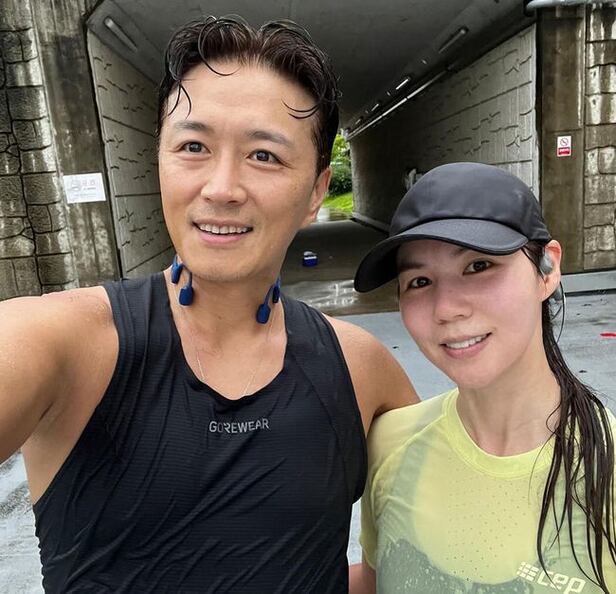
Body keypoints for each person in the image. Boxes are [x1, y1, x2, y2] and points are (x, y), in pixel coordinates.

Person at [0, 16, 417, 593]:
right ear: (159, 160)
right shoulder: (63, 342)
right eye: (193, 146)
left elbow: (427, 554)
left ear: (317, 190)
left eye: (264, 156)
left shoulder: (360, 369)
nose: (221, 188)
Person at [349, 162, 616, 593]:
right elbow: (373, 582)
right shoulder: (390, 443)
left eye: (478, 266)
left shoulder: (607, 464)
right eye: (419, 280)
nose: (446, 308)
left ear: (547, 268)